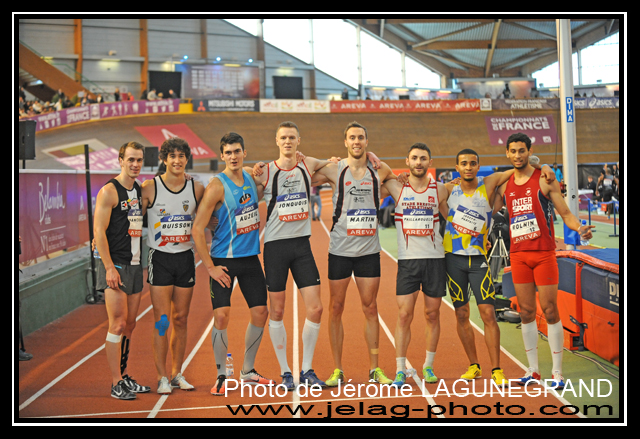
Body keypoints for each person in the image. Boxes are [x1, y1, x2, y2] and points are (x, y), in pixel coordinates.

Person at [442, 149, 555, 388]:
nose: (468, 167)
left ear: (478, 165)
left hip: (479, 261)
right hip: (454, 260)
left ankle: (496, 369)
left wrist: (543, 166)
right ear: (457, 167)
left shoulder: (489, 183)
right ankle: (474, 365)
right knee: (461, 314)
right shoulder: (449, 189)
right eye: (464, 164)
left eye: (473, 163)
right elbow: (423, 190)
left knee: (488, 314)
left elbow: (519, 168)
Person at [495, 133, 594, 389]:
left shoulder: (544, 180)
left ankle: (557, 373)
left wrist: (580, 228)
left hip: (543, 255)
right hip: (518, 256)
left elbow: (566, 213)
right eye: (513, 151)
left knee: (550, 310)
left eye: (522, 150)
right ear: (507, 153)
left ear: (529, 151)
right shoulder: (504, 185)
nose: (518, 155)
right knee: (526, 312)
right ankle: (533, 371)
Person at [311, 121, 398, 387]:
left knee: (371, 308)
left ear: (366, 142)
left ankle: (375, 368)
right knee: (336, 308)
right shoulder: (335, 169)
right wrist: (322, 160)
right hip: (340, 250)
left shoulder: (380, 169)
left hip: (369, 251)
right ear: (345, 142)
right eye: (352, 137)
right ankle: (338, 369)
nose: (356, 141)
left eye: (360, 137)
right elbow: (302, 172)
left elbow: (397, 182)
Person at [250, 121, 335, 390]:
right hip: (275, 247)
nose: (287, 141)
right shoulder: (266, 171)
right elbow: (240, 181)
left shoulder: (307, 164)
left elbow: (335, 162)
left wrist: (370, 155)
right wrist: (253, 169)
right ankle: (286, 372)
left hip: (301, 246)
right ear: (277, 141)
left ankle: (307, 369)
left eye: (292, 137)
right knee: (277, 310)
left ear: (299, 141)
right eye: (283, 137)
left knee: (316, 308)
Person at [191, 132, 275, 396]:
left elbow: (265, 182)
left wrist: (259, 168)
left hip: (250, 258)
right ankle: (221, 374)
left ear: (244, 153)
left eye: (237, 151)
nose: (233, 156)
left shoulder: (249, 176)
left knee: (261, 312)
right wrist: (210, 267)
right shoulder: (217, 186)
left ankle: (247, 370)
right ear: (222, 156)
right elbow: (197, 229)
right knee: (221, 316)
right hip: (223, 261)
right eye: (228, 152)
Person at [379, 143, 450, 387]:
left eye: (423, 158)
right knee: (403, 315)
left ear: (430, 162)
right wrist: (387, 170)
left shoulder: (440, 189)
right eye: (415, 158)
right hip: (408, 261)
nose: (419, 162)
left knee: (432, 314)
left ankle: (428, 366)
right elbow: (368, 184)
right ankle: (400, 369)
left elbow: (454, 215)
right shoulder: (396, 187)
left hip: (435, 260)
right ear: (407, 161)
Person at [142, 137, 205, 394]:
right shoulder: (150, 187)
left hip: (185, 259)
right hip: (160, 258)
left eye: (181, 156)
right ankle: (161, 377)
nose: (177, 161)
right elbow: (129, 217)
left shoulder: (196, 188)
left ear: (186, 159)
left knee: (180, 318)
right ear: (164, 159)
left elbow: (209, 216)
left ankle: (177, 373)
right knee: (162, 320)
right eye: (172, 156)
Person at [93, 141, 151, 400]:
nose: (135, 164)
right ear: (120, 160)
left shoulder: (138, 189)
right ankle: (116, 382)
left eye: (139, 160)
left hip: (135, 264)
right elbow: (98, 231)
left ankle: (124, 376)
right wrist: (108, 267)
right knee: (116, 324)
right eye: (130, 159)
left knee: (129, 325)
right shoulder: (109, 191)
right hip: (115, 265)